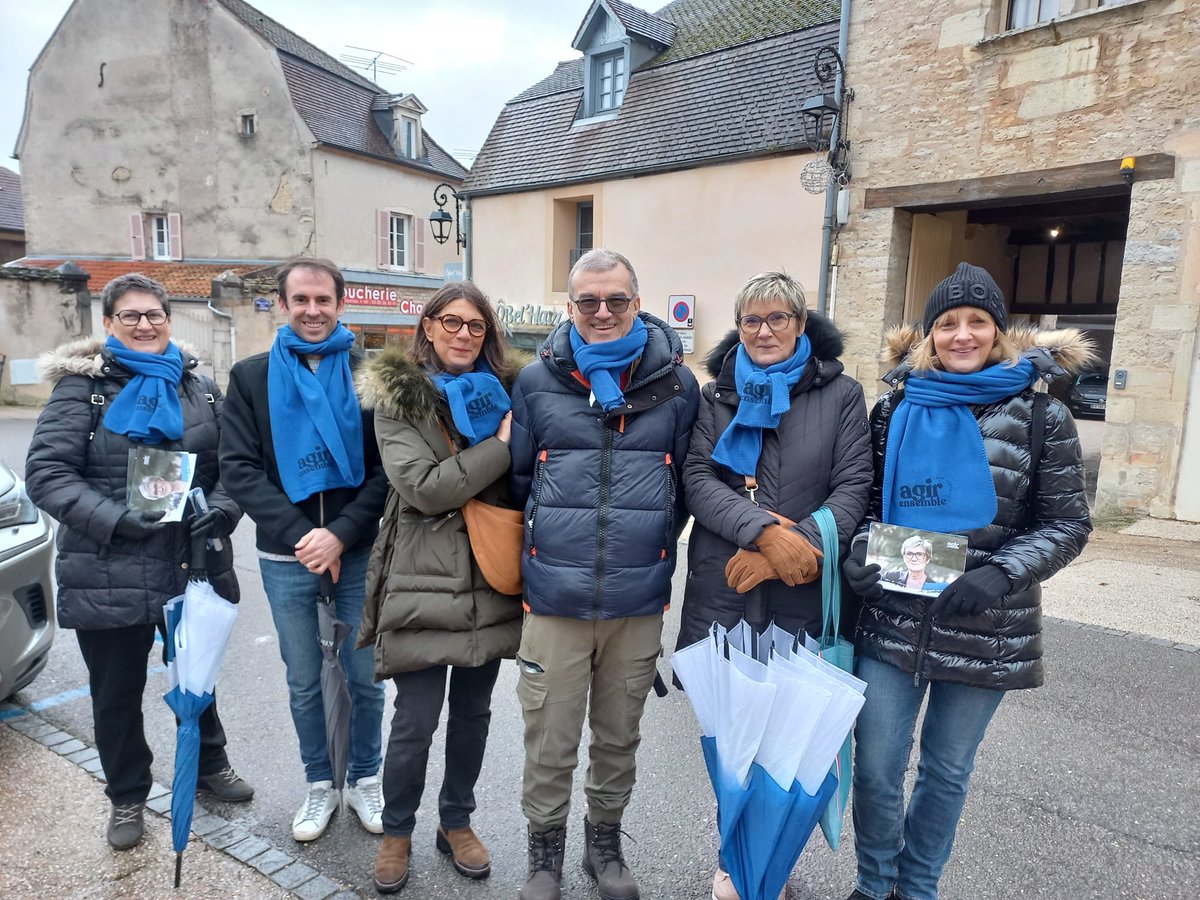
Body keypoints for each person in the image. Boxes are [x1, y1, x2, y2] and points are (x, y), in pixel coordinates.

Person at [841, 263, 1094, 900]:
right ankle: (875, 888)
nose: (961, 335)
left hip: (988, 623)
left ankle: (916, 891)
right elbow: (870, 503)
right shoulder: (895, 406)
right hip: (896, 617)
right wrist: (861, 556)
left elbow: (1067, 523)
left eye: (976, 321)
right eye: (947, 323)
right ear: (928, 335)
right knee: (874, 770)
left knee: (946, 772)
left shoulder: (1042, 416)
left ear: (999, 331)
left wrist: (1003, 573)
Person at [25, 273, 252, 852]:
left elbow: (233, 466)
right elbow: (47, 476)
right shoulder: (83, 391)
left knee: (195, 677)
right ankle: (127, 794)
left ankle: (208, 765)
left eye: (154, 314)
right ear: (108, 324)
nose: (145, 324)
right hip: (110, 565)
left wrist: (222, 512)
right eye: (130, 316)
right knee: (116, 691)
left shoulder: (197, 386)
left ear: (169, 319)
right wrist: (114, 519)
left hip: (189, 560)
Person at [673, 271, 872, 900]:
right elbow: (699, 481)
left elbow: (854, 487)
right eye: (752, 320)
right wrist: (762, 535)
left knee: (787, 745)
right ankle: (735, 863)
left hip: (802, 594)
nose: (764, 331)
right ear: (740, 326)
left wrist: (797, 550)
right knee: (731, 742)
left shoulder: (842, 394)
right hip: (725, 586)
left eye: (778, 318)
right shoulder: (717, 395)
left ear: (800, 322)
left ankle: (770, 870)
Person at [509, 248, 699, 900]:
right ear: (569, 308)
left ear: (636, 304)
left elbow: (684, 491)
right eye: (588, 301)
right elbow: (517, 483)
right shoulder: (537, 382)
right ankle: (543, 856)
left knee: (619, 737)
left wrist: (645, 550)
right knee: (550, 738)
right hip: (554, 600)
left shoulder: (677, 386)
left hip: (636, 601)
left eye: (616, 300)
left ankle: (604, 846)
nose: (602, 312)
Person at [356, 282, 523, 894]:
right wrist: (499, 451)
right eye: (450, 322)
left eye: (475, 326)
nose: (462, 334)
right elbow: (423, 488)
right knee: (415, 720)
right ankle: (397, 830)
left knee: (474, 714)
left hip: (488, 572)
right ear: (427, 327)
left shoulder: (507, 393)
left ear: (488, 336)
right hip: (420, 576)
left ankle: (456, 821)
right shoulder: (400, 399)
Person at [220, 257, 388, 842]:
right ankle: (320, 783)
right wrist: (304, 536)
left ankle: (366, 776)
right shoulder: (249, 377)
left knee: (365, 675)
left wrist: (340, 532)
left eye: (323, 300)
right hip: (285, 555)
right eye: (301, 301)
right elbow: (238, 469)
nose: (313, 311)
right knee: (304, 679)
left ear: (341, 304)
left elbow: (387, 470)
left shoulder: (373, 374)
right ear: (284, 305)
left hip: (358, 549)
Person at [880, 535, 947, 593]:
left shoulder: (934, 588)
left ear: (928, 559)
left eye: (919, 554)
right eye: (909, 553)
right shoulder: (890, 577)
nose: (914, 559)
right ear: (904, 557)